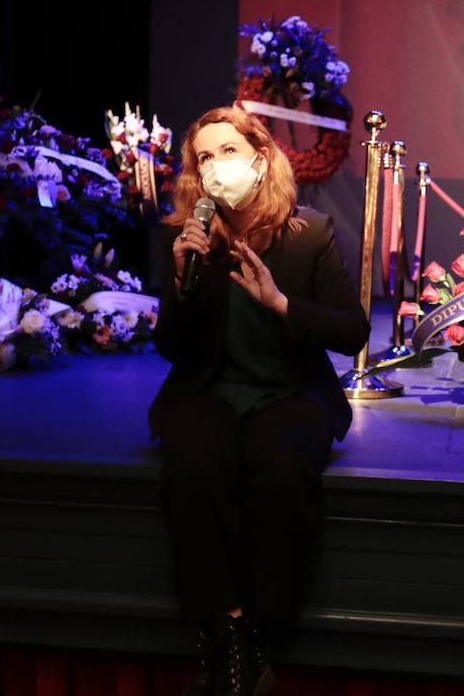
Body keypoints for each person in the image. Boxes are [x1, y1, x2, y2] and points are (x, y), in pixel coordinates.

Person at [151, 106, 370, 696]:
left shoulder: (310, 233)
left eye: (227, 151)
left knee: (280, 468)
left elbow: (353, 331)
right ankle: (225, 629)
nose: (216, 166)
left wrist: (280, 305)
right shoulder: (186, 239)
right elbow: (171, 346)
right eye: (204, 157)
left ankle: (262, 632)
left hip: (289, 389)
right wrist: (180, 283)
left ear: (260, 157)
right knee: (193, 470)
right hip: (208, 388)